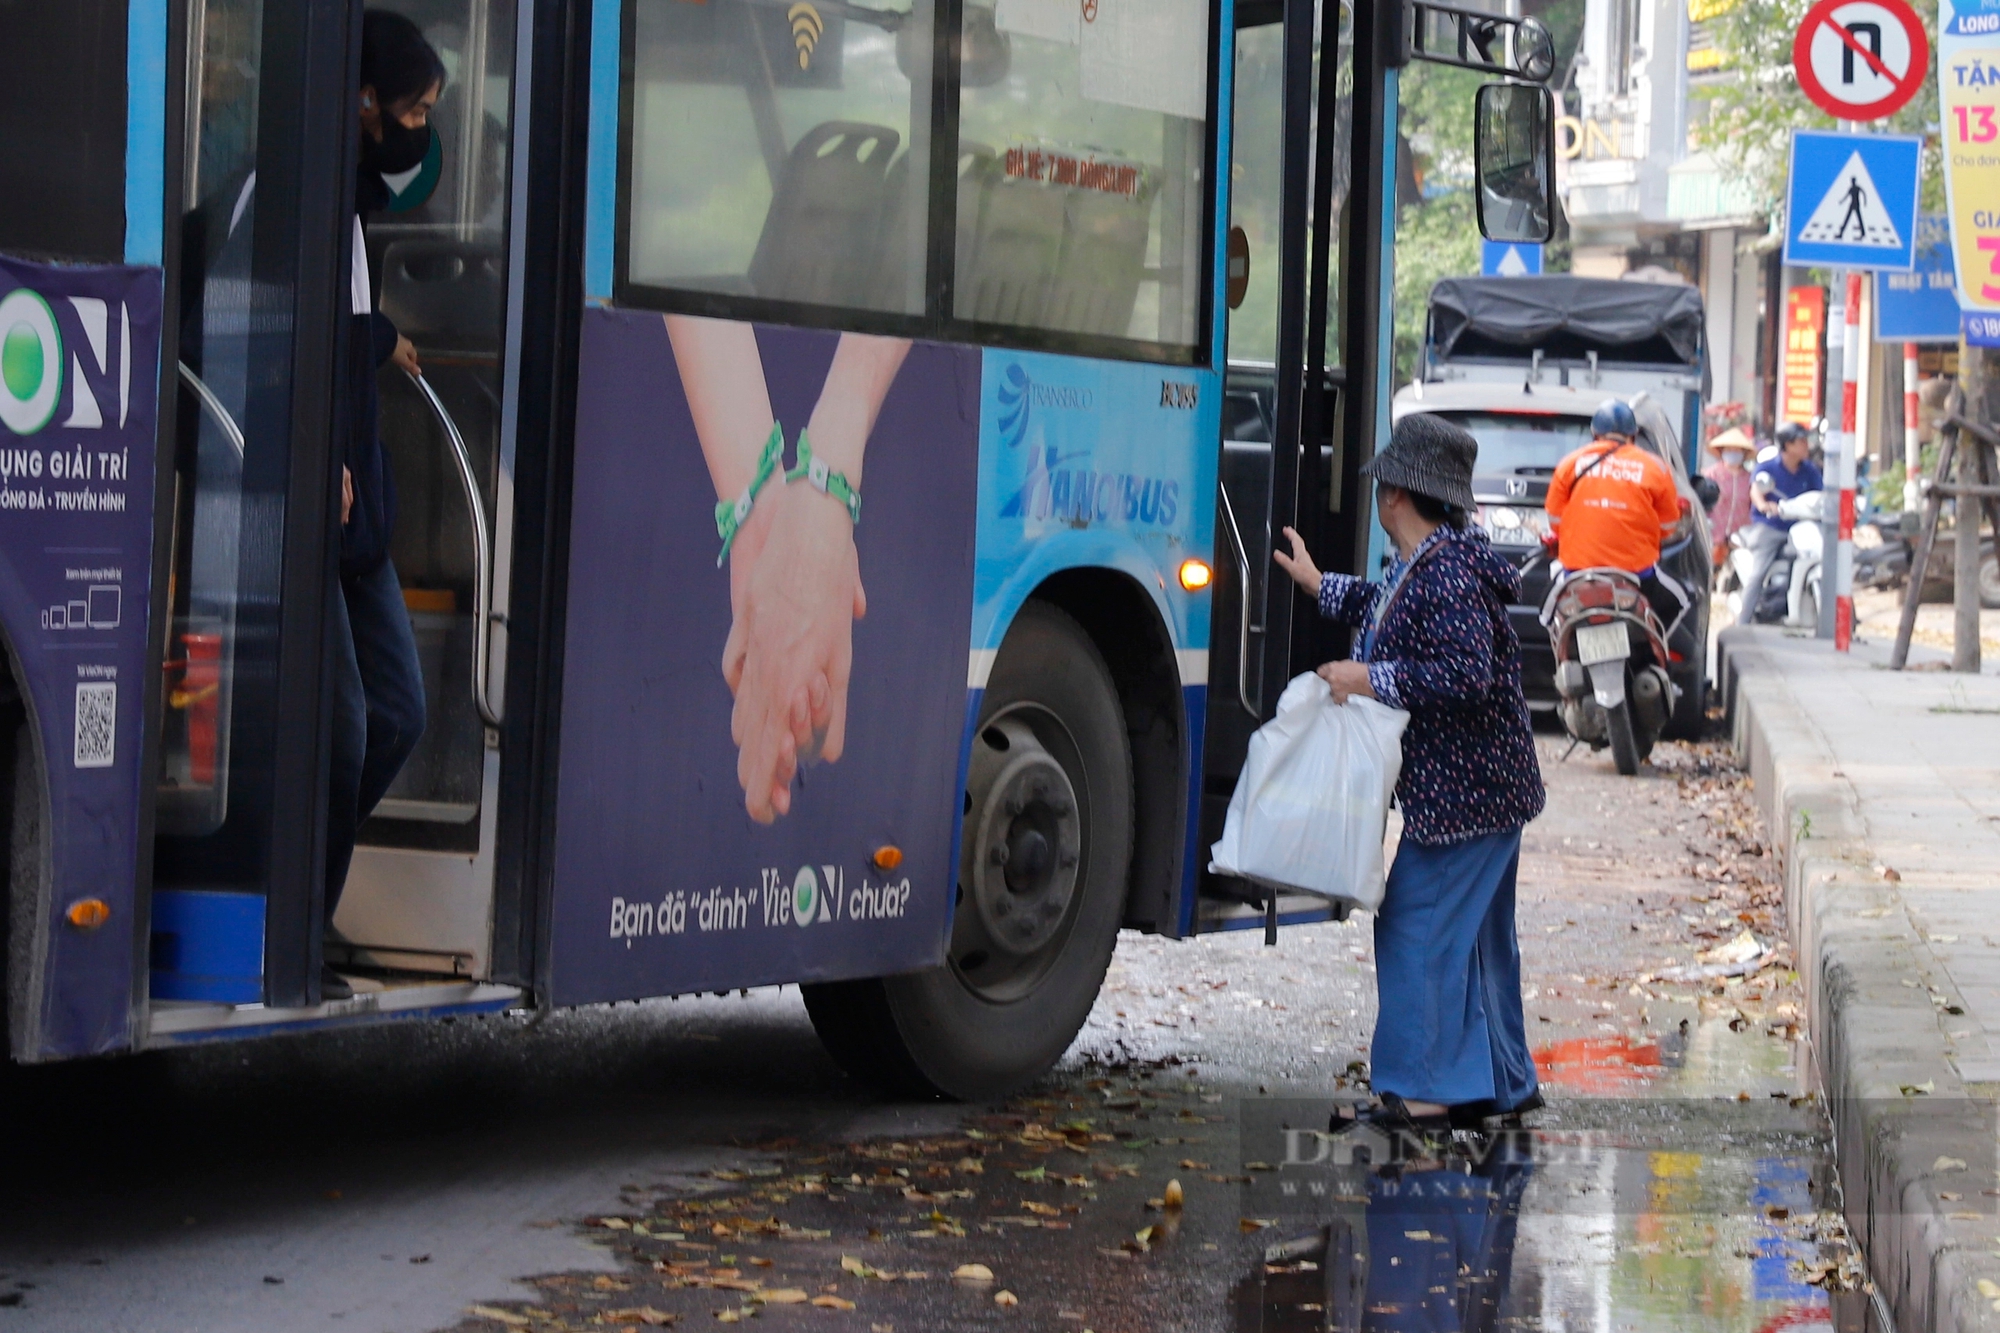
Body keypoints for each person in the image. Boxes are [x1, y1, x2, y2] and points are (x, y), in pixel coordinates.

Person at [1273, 413, 1546, 1134]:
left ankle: (1422, 1093)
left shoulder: (1447, 570)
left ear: (1396, 492)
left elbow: (1464, 673)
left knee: (1413, 927)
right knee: (1480, 940)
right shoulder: (1427, 561)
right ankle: (1501, 1080)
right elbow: (1387, 609)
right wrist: (1317, 584)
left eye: (1381, 483)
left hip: (1468, 795)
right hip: (1486, 789)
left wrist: (1369, 677)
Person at [320, 11, 444, 999]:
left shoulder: (354, 203)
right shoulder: (304, 193)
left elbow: (347, 328)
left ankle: (305, 899)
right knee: (347, 728)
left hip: (358, 519)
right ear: (362, 101)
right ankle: (301, 919)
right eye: (412, 107)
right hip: (317, 510)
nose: (419, 128)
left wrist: (383, 338)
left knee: (397, 712)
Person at [1543, 398, 1691, 636]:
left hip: (1577, 572)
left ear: (1594, 434)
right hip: (1637, 573)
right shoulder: (1655, 468)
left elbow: (1555, 522)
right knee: (1679, 601)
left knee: (1548, 615)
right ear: (1633, 435)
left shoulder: (1569, 464)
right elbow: (1669, 526)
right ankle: (1656, 656)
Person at [1734, 422, 1823, 627]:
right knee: (1758, 573)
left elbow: (1822, 495)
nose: (1806, 446)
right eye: (1801, 441)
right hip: (1770, 527)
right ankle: (1743, 621)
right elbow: (1756, 491)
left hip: (1800, 528)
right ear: (1788, 445)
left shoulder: (1810, 470)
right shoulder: (1767, 468)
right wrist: (1764, 505)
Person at [1702, 426, 1755, 568]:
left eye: (1737, 451)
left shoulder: (1749, 479)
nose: (1733, 454)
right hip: (1714, 535)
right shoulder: (1711, 475)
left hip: (1741, 537)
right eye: (1729, 450)